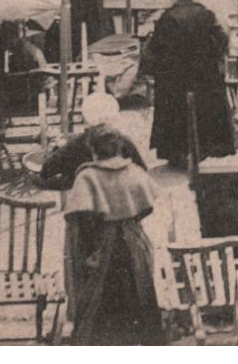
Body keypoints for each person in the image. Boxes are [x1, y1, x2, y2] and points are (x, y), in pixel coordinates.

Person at [62, 125, 164, 345]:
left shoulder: (88, 177)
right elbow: (147, 207)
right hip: (132, 243)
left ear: (93, 150)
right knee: (139, 297)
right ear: (119, 148)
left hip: (101, 246)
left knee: (98, 305)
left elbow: (79, 217)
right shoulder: (134, 171)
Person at [138, 0, 234, 167]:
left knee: (174, 111)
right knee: (206, 109)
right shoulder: (206, 14)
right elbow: (222, 40)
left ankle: (176, 152)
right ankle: (208, 149)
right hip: (204, 74)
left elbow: (156, 50)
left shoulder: (168, 17)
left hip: (174, 76)